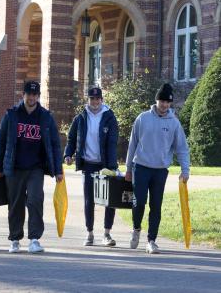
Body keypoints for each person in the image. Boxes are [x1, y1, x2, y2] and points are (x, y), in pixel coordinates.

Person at [0, 80, 63, 254]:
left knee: (35, 201)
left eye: (34, 94)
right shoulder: (12, 115)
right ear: (22, 95)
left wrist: (59, 170)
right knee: (15, 204)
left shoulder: (45, 117)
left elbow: (55, 144)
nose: (31, 97)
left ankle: (34, 240)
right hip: (15, 168)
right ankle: (15, 239)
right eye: (28, 94)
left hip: (36, 168)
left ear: (38, 96)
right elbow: (1, 142)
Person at [125, 83, 190, 254]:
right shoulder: (143, 118)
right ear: (157, 101)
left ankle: (151, 240)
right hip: (141, 167)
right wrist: (128, 169)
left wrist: (185, 170)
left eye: (167, 102)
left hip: (160, 170)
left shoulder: (174, 123)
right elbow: (133, 144)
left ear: (170, 104)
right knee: (138, 202)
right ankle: (136, 228)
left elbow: (182, 148)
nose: (164, 105)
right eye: (162, 101)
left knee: (156, 205)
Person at [64, 87, 119, 246]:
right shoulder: (80, 118)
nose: (95, 102)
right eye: (92, 99)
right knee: (89, 200)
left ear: (101, 100)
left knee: (110, 200)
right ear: (87, 100)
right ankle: (90, 233)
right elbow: (72, 138)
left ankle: (107, 234)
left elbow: (112, 143)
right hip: (88, 164)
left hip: (105, 165)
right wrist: (68, 154)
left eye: (97, 99)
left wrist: (112, 166)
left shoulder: (109, 117)